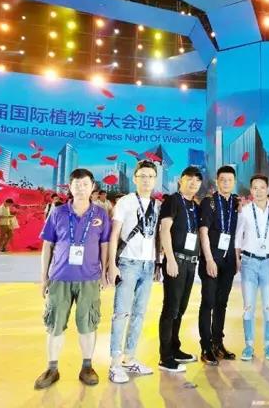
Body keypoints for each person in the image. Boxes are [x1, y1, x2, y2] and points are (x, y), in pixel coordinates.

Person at [34, 168, 110, 390]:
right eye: (76, 184)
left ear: (92, 187)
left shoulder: (100, 214)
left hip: (89, 278)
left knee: (88, 323)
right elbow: (47, 245)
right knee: (54, 324)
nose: (81, 188)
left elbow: (104, 245)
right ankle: (52, 368)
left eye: (85, 184)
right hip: (60, 277)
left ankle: (87, 366)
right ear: (70, 187)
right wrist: (44, 277)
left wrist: (104, 272)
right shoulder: (57, 212)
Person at [107, 160, 161, 383]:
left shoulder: (157, 205)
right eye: (142, 176)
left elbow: (155, 236)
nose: (146, 180)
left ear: (155, 179)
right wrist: (112, 264)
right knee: (121, 313)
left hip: (148, 265)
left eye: (150, 176)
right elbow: (114, 235)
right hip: (128, 263)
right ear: (135, 178)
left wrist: (157, 263)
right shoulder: (125, 202)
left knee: (139, 314)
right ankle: (114, 363)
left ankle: (129, 358)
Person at [158, 166, 203, 372]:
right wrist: (170, 259)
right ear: (180, 180)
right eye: (189, 179)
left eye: (197, 180)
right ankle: (165, 357)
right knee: (171, 309)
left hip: (190, 263)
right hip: (176, 260)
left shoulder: (194, 205)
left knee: (181, 309)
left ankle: (175, 348)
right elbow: (165, 230)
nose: (193, 183)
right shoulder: (172, 201)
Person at [234, 174, 269, 361]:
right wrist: (237, 259)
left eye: (262, 187)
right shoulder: (245, 211)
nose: (259, 191)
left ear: (268, 189)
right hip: (249, 263)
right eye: (255, 188)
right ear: (251, 190)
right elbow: (238, 237)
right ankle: (249, 346)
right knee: (248, 307)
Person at [198, 166, 240, 365]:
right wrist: (209, 260)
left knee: (222, 304)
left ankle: (218, 343)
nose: (226, 183)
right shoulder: (209, 202)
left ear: (234, 182)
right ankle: (206, 347)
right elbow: (203, 232)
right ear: (217, 181)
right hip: (212, 260)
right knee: (208, 303)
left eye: (229, 180)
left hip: (228, 261)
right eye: (222, 179)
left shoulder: (236, 203)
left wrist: (236, 259)